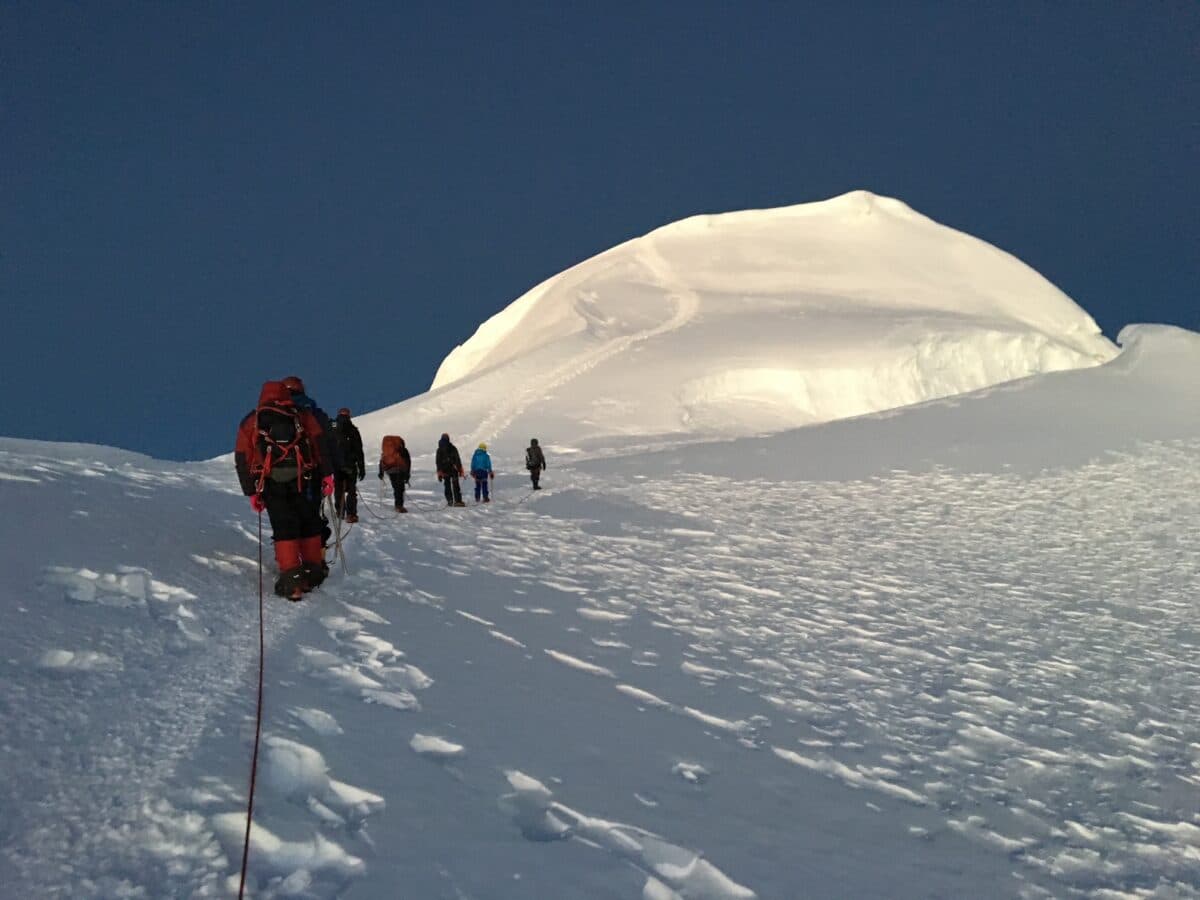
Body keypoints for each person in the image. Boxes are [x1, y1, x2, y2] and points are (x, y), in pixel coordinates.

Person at [235, 380, 334, 600]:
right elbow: (319, 443)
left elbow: (242, 458)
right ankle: (312, 573)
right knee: (309, 522)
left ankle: (292, 580)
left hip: (272, 482)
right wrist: (327, 475)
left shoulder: (253, 420)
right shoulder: (301, 414)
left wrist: (252, 491)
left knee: (284, 525)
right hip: (305, 478)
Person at [282, 375, 338, 545]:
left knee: (285, 515)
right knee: (312, 514)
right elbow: (327, 442)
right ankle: (316, 552)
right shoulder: (313, 412)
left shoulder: (272, 411)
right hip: (311, 471)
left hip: (279, 473)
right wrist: (329, 472)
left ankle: (288, 554)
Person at [330, 408, 365, 523]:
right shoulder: (353, 429)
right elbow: (359, 450)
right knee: (351, 490)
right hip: (350, 465)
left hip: (336, 465)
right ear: (349, 416)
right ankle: (351, 514)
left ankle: (340, 512)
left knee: (338, 489)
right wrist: (361, 467)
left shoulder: (332, 427)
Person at [378, 435, 411, 512]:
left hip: (390, 471)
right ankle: (399, 506)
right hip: (400, 470)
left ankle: (398, 505)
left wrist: (381, 472)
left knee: (396, 487)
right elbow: (408, 462)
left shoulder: (387, 450)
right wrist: (407, 474)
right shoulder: (403, 450)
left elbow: (382, 461)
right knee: (400, 488)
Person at [435, 433, 466, 507]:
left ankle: (450, 500)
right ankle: (458, 501)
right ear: (448, 439)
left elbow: (438, 462)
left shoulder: (439, 450)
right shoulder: (453, 448)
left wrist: (439, 473)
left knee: (447, 485)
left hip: (444, 471)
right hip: (453, 469)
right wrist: (460, 470)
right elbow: (457, 459)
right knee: (456, 485)